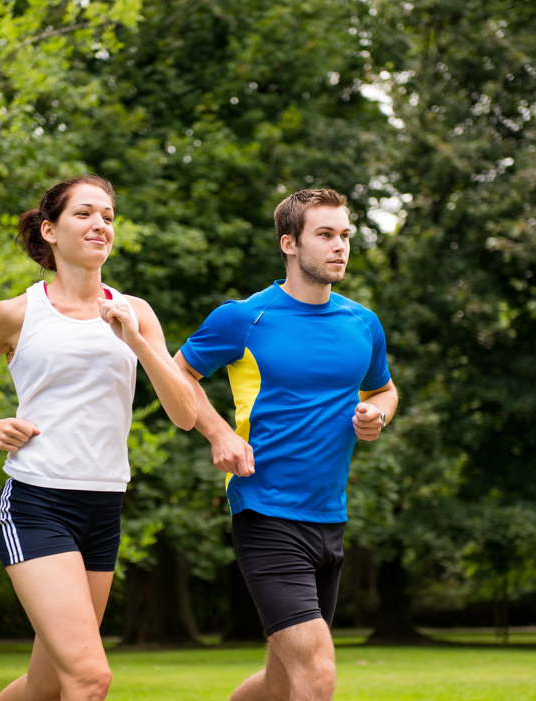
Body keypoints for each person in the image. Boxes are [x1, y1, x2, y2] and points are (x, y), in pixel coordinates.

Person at [0, 175, 195, 701]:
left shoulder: (135, 312)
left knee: (47, 684)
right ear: (50, 230)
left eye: (109, 217)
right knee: (90, 678)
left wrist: (137, 341)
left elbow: (185, 413)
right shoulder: (16, 313)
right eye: (85, 214)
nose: (101, 224)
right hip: (36, 504)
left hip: (104, 507)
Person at [174, 188, 398, 701]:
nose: (339, 246)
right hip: (266, 513)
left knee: (282, 682)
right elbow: (176, 370)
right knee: (317, 673)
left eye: (344, 235)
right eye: (325, 235)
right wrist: (218, 431)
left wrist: (375, 416)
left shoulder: (362, 323)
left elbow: (383, 389)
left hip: (330, 518)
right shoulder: (243, 318)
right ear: (289, 243)